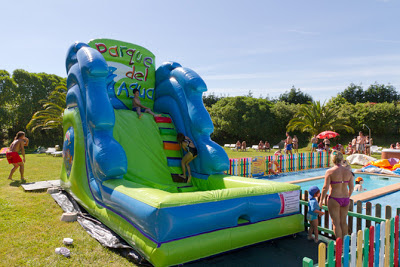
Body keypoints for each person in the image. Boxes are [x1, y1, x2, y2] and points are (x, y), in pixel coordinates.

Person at [320, 152, 354, 239]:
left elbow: (325, 188)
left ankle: (339, 245)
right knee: (343, 222)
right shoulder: (348, 172)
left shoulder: (330, 171)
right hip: (345, 199)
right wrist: (347, 196)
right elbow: (351, 188)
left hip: (335, 198)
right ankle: (345, 245)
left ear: (332, 159)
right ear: (342, 159)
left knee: (336, 223)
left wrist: (321, 201)